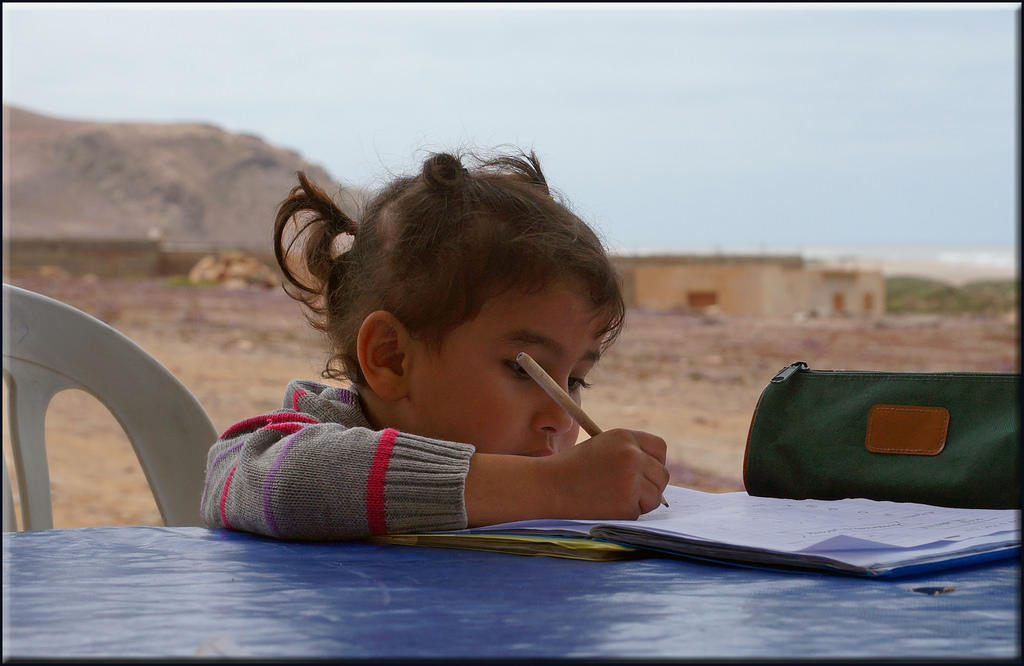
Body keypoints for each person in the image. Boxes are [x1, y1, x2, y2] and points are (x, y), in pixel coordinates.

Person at [200, 148, 669, 540]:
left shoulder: (524, 477)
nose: (561, 419)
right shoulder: (293, 441)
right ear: (392, 358)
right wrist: (555, 488)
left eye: (576, 380)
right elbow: (276, 481)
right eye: (526, 372)